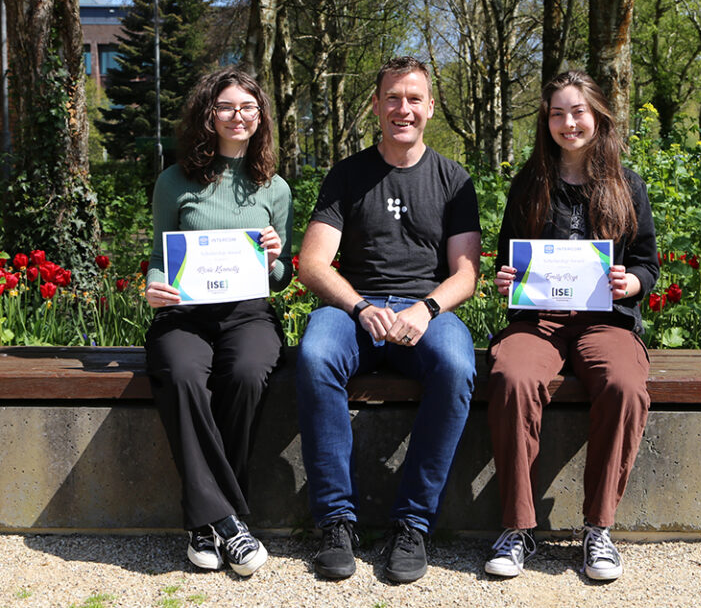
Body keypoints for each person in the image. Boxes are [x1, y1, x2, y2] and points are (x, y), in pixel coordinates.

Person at [295, 56, 481, 583]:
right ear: (376, 106)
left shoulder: (453, 178)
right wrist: (359, 306)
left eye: (414, 98)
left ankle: (413, 524)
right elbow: (312, 263)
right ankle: (336, 520)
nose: (404, 108)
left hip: (426, 308)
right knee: (314, 355)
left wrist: (425, 309)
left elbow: (466, 274)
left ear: (430, 107)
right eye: (393, 98)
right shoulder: (348, 175)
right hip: (356, 306)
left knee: (455, 364)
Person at [485, 70, 658, 581]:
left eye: (577, 111)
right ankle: (518, 528)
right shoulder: (528, 185)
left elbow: (647, 263)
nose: (568, 122)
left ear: (598, 116)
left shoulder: (628, 186)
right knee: (513, 377)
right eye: (557, 113)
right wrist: (507, 280)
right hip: (538, 321)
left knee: (626, 385)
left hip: (606, 320)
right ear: (547, 120)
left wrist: (632, 284)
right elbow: (506, 260)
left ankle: (597, 528)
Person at [144, 67, 293, 576]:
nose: (238, 116)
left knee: (248, 372)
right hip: (184, 314)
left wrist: (275, 257)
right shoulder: (174, 180)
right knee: (183, 374)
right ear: (208, 114)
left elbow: (279, 277)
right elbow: (160, 254)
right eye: (227, 106)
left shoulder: (273, 187)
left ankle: (205, 525)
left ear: (260, 117)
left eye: (248, 107)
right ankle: (229, 524)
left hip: (248, 314)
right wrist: (153, 285)